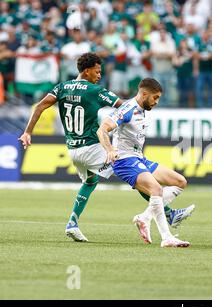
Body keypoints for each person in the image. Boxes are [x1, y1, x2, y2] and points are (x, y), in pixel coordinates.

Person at [18, 53, 191, 243]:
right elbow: (125, 107)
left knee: (91, 182)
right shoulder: (95, 90)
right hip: (93, 147)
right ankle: (164, 214)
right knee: (135, 173)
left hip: (73, 150)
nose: (99, 75)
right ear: (86, 71)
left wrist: (28, 132)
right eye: (97, 71)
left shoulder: (61, 87)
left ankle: (72, 223)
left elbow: (40, 106)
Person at [97, 78, 191, 248]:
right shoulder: (127, 109)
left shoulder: (144, 109)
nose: (157, 102)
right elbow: (102, 129)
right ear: (144, 94)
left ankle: (145, 217)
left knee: (180, 181)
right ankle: (167, 237)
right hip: (124, 161)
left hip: (139, 158)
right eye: (155, 98)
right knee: (156, 190)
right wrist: (110, 149)